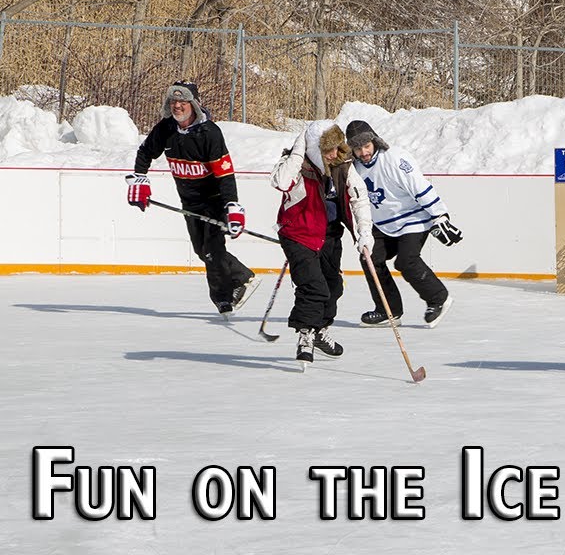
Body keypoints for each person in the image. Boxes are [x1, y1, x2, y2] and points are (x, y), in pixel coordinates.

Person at [126, 81, 256, 316]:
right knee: (201, 251)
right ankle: (241, 276)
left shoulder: (210, 133)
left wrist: (232, 205)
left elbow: (225, 173)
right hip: (189, 201)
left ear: (194, 104)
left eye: (183, 102)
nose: (177, 106)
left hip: (213, 200)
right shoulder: (166, 129)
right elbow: (145, 152)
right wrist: (139, 179)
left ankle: (223, 300)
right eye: (174, 101)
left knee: (212, 251)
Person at [270, 120, 374, 366]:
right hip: (298, 235)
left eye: (338, 148)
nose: (334, 154)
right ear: (315, 149)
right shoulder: (296, 164)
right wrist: (299, 149)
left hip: (329, 234)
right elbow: (280, 182)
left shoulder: (342, 166)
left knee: (333, 287)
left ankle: (320, 330)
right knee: (313, 287)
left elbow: (359, 199)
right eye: (328, 149)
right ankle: (305, 335)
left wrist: (365, 233)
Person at [344, 120, 463, 329]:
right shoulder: (354, 167)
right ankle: (388, 310)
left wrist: (440, 215)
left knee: (406, 261)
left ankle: (438, 298)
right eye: (358, 148)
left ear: (375, 141)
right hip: (382, 223)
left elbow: (420, 186)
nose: (363, 152)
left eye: (367, 146)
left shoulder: (394, 158)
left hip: (413, 218)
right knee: (370, 258)